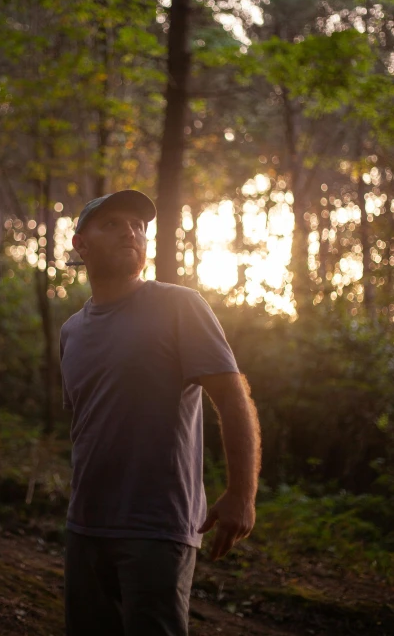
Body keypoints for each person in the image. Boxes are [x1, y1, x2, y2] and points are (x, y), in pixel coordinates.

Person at [60, 189, 261, 636]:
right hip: (85, 524)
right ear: (80, 244)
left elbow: (232, 396)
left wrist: (241, 492)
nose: (130, 231)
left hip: (157, 526)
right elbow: (87, 426)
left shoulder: (179, 305)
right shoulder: (71, 331)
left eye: (138, 225)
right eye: (112, 224)